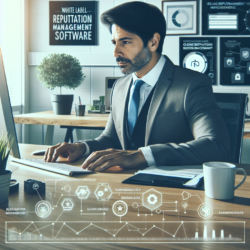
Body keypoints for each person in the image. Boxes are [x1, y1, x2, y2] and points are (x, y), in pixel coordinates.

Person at [44, 1, 230, 172]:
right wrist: (82, 147)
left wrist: (142, 155)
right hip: (123, 187)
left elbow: (215, 145)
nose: (116, 52)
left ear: (153, 42)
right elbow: (110, 139)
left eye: (125, 42)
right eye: (114, 42)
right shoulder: (119, 86)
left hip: (173, 192)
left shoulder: (191, 84)